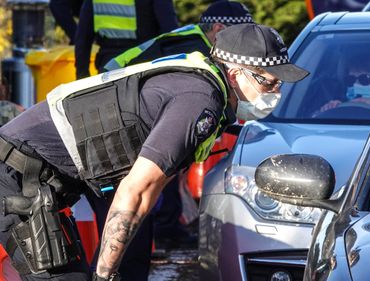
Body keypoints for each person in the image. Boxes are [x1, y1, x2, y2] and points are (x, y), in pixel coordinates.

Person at [0, 23, 308, 281]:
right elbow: (135, 193)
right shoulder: (199, 101)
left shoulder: (199, 87)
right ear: (236, 73)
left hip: (34, 176)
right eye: (269, 83)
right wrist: (105, 275)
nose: (276, 93)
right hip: (18, 175)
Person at [103, 1, 254, 253]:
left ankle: (162, 230)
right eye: (240, 37)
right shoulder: (194, 50)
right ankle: (156, 235)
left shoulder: (197, 41)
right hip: (115, 106)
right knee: (146, 184)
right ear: (218, 29)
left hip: (124, 99)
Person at [103, 0, 253, 71]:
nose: (244, 40)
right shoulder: (192, 49)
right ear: (218, 29)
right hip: (115, 77)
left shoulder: (196, 36)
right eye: (240, 33)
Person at [74, 0, 178, 78]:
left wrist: (82, 75)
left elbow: (83, 38)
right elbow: (170, 31)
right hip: (146, 66)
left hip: (109, 67)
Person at [313, 46, 370, 116]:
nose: (356, 85)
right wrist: (328, 110)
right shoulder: (338, 108)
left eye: (365, 79)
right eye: (350, 80)